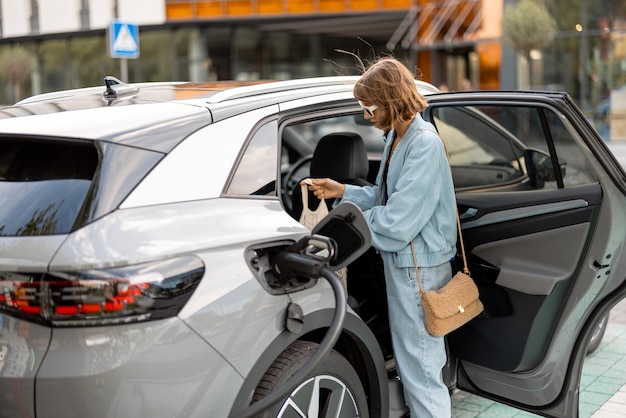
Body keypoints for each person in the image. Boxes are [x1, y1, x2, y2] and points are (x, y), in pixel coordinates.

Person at [303, 57, 457, 418]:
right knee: (414, 365)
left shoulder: (424, 145)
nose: (365, 115)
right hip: (406, 266)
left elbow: (398, 220)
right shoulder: (397, 139)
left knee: (421, 370)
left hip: (419, 273)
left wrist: (345, 224)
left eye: (368, 107)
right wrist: (342, 190)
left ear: (390, 101)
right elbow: (386, 197)